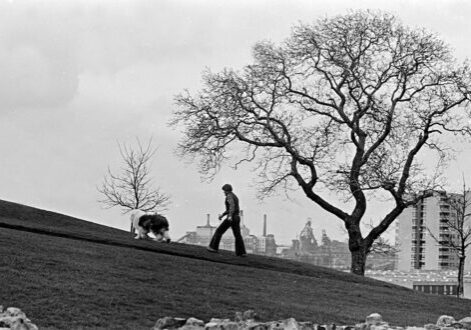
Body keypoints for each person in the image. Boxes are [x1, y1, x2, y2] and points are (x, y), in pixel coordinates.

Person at [207, 184, 247, 257]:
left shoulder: (229, 196)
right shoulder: (234, 196)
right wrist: (222, 215)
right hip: (237, 217)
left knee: (219, 231)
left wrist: (230, 216)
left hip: (231, 218)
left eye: (224, 191)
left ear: (226, 190)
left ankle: (213, 247)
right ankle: (241, 252)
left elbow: (231, 207)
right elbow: (230, 209)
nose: (224, 193)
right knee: (237, 235)